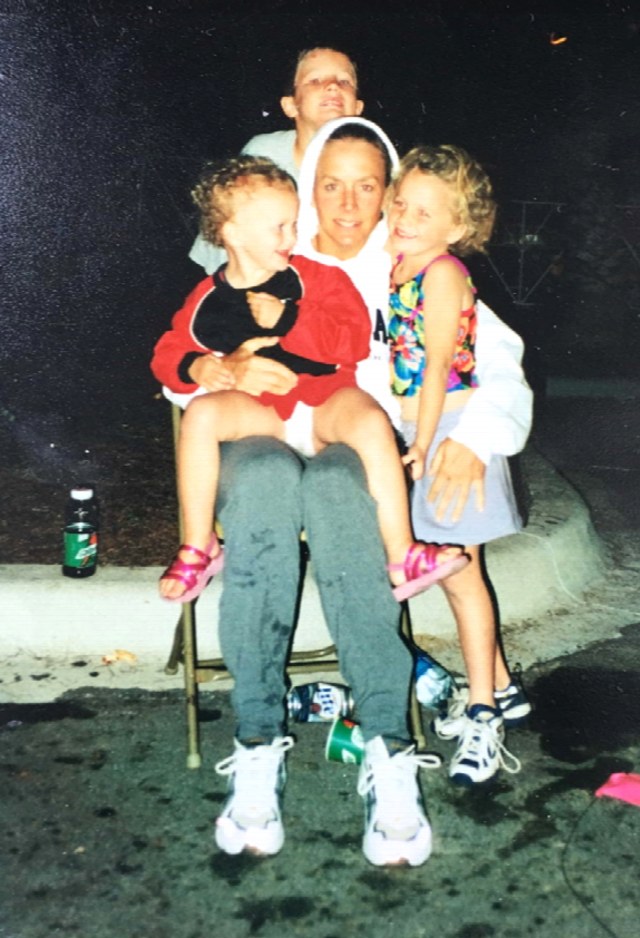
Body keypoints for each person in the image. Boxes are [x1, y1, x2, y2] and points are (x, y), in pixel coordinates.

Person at [163, 116, 532, 868]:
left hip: (351, 438)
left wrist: (473, 436)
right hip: (259, 432)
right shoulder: (269, 249)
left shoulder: (410, 261)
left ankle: (388, 748)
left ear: (390, 193)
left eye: (370, 185)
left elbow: (493, 360)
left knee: (340, 497)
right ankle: (258, 739)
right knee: (263, 485)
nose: (349, 201)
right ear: (306, 187)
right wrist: (215, 370)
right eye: (330, 183)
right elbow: (180, 353)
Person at [152, 155, 467, 604]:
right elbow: (168, 351)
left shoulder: (315, 277)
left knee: (371, 422)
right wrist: (196, 367)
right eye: (278, 227)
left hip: (324, 402)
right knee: (201, 415)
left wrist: (290, 319)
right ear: (232, 232)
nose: (292, 237)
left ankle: (402, 554)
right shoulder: (207, 298)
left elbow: (353, 340)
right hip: (265, 415)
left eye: (294, 225)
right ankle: (199, 544)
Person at [386, 144, 530, 786]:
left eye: (424, 211)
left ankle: (482, 711)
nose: (405, 217)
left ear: (457, 228)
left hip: (445, 430)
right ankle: (500, 686)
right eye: (400, 204)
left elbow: (439, 367)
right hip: (423, 424)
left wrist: (421, 440)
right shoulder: (395, 266)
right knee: (448, 571)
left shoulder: (441, 273)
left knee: (461, 573)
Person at [189, 47, 364, 275]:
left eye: (344, 81)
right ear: (290, 106)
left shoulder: (374, 167)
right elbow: (220, 252)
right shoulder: (264, 155)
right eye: (315, 80)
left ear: (358, 108)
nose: (332, 85)